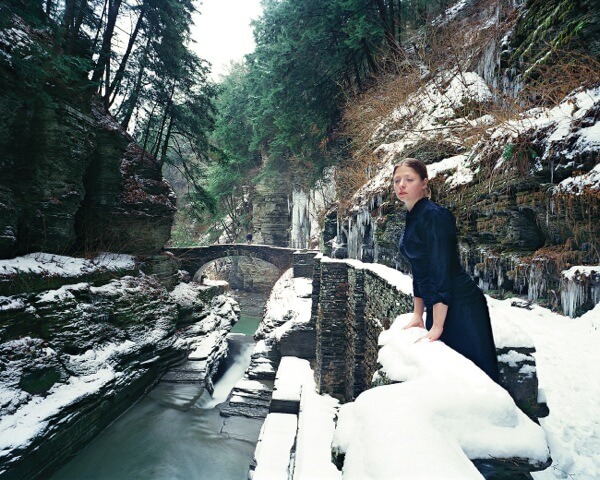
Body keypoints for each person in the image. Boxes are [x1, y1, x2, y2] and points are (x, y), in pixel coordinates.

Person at [394, 158, 500, 382]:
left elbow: (440, 269)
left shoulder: (434, 215)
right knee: (448, 375)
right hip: (440, 303)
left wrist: (438, 324)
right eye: (397, 180)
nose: (401, 185)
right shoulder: (413, 215)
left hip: (460, 303)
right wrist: (417, 314)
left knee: (476, 377)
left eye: (409, 179)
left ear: (424, 183)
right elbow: (419, 270)